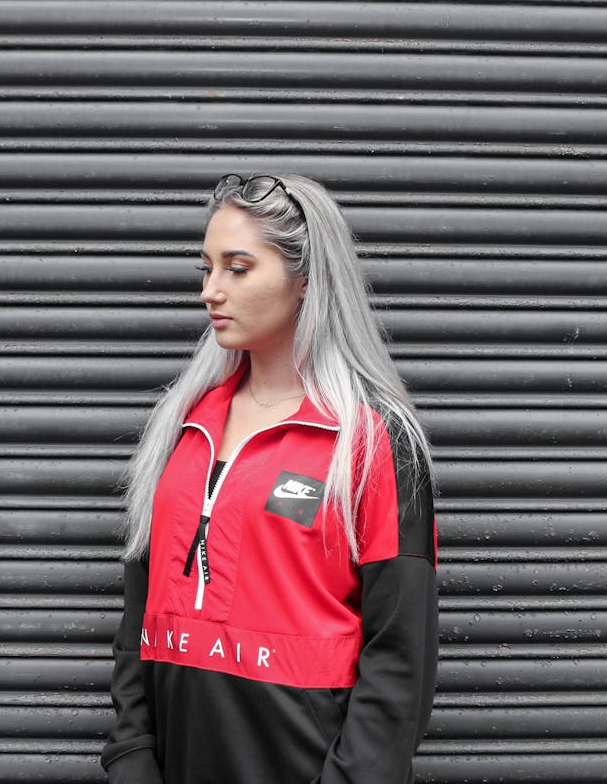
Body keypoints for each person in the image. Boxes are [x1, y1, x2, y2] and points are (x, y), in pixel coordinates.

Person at [100, 173, 438, 784]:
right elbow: (136, 620)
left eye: (237, 268)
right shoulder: (180, 429)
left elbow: (400, 660)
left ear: (306, 279)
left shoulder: (371, 443)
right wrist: (130, 755)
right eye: (205, 269)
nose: (211, 292)